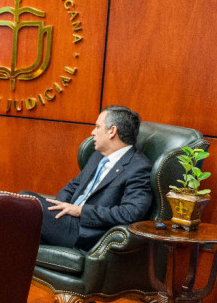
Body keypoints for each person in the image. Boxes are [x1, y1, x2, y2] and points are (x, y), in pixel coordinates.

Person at [22, 105, 153, 250]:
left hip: (85, 232)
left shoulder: (138, 168)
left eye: (97, 127)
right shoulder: (98, 155)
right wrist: (59, 207)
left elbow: (131, 213)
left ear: (112, 131)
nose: (92, 132)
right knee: (23, 205)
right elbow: (73, 186)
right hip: (67, 220)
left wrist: (80, 211)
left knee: (23, 204)